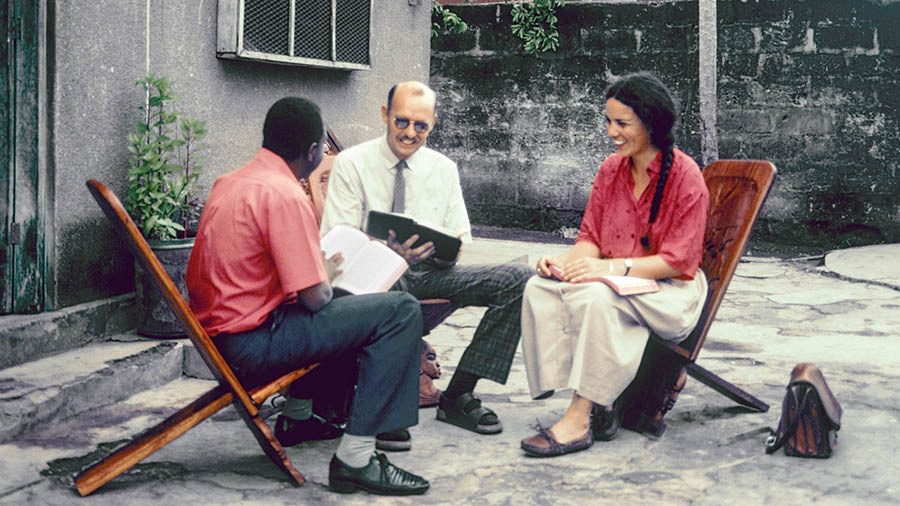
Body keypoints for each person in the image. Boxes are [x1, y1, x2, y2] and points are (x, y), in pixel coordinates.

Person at [185, 97, 430, 495]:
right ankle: (356, 459)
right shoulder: (284, 194)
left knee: (353, 305)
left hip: (223, 338)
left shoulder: (232, 182)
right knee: (398, 310)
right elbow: (315, 299)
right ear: (315, 151)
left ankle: (298, 417)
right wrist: (327, 274)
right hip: (251, 346)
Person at [320, 81, 533, 440]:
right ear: (385, 115)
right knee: (394, 296)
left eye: (421, 126)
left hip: (431, 272)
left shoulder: (443, 168)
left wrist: (444, 250)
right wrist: (389, 252)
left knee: (521, 279)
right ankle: (385, 405)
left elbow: (460, 236)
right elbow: (339, 237)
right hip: (377, 276)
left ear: (433, 123)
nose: (409, 133)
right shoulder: (353, 164)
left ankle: (459, 392)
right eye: (401, 122)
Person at [518, 72, 709, 457]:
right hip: (619, 282)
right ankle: (601, 401)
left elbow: (677, 262)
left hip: (671, 292)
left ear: (651, 123)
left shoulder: (685, 176)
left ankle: (578, 416)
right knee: (539, 287)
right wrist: (563, 264)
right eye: (608, 121)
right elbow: (589, 238)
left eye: (622, 123)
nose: (611, 132)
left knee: (597, 299)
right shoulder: (611, 170)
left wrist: (608, 270)